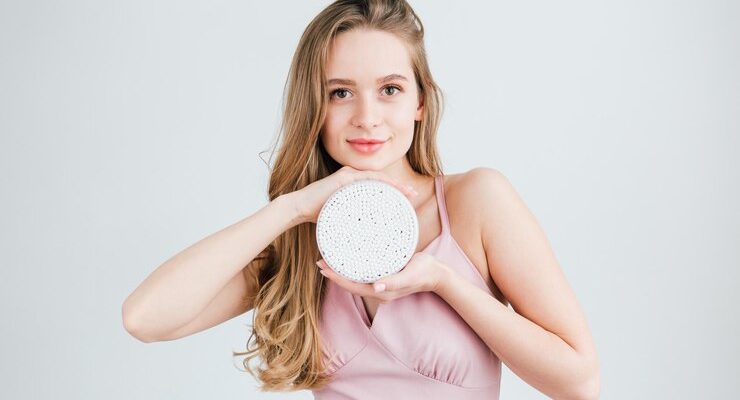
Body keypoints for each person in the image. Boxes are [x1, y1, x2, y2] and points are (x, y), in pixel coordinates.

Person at [122, 0, 600, 399]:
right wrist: (291, 209)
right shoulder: (300, 237)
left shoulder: (475, 202)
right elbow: (144, 319)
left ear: (419, 103)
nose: (367, 118)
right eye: (341, 93)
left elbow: (580, 383)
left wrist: (443, 282)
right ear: (315, 107)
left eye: (389, 89)